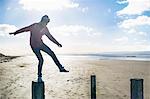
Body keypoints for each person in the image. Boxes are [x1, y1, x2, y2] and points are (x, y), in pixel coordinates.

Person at [9, 15, 69, 82]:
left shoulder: (45, 28)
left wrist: (57, 43)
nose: (46, 24)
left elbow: (50, 37)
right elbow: (25, 29)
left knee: (52, 53)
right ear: (42, 20)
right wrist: (16, 32)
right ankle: (39, 76)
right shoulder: (35, 26)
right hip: (34, 46)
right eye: (45, 22)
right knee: (41, 60)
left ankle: (60, 68)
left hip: (41, 44)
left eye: (47, 22)